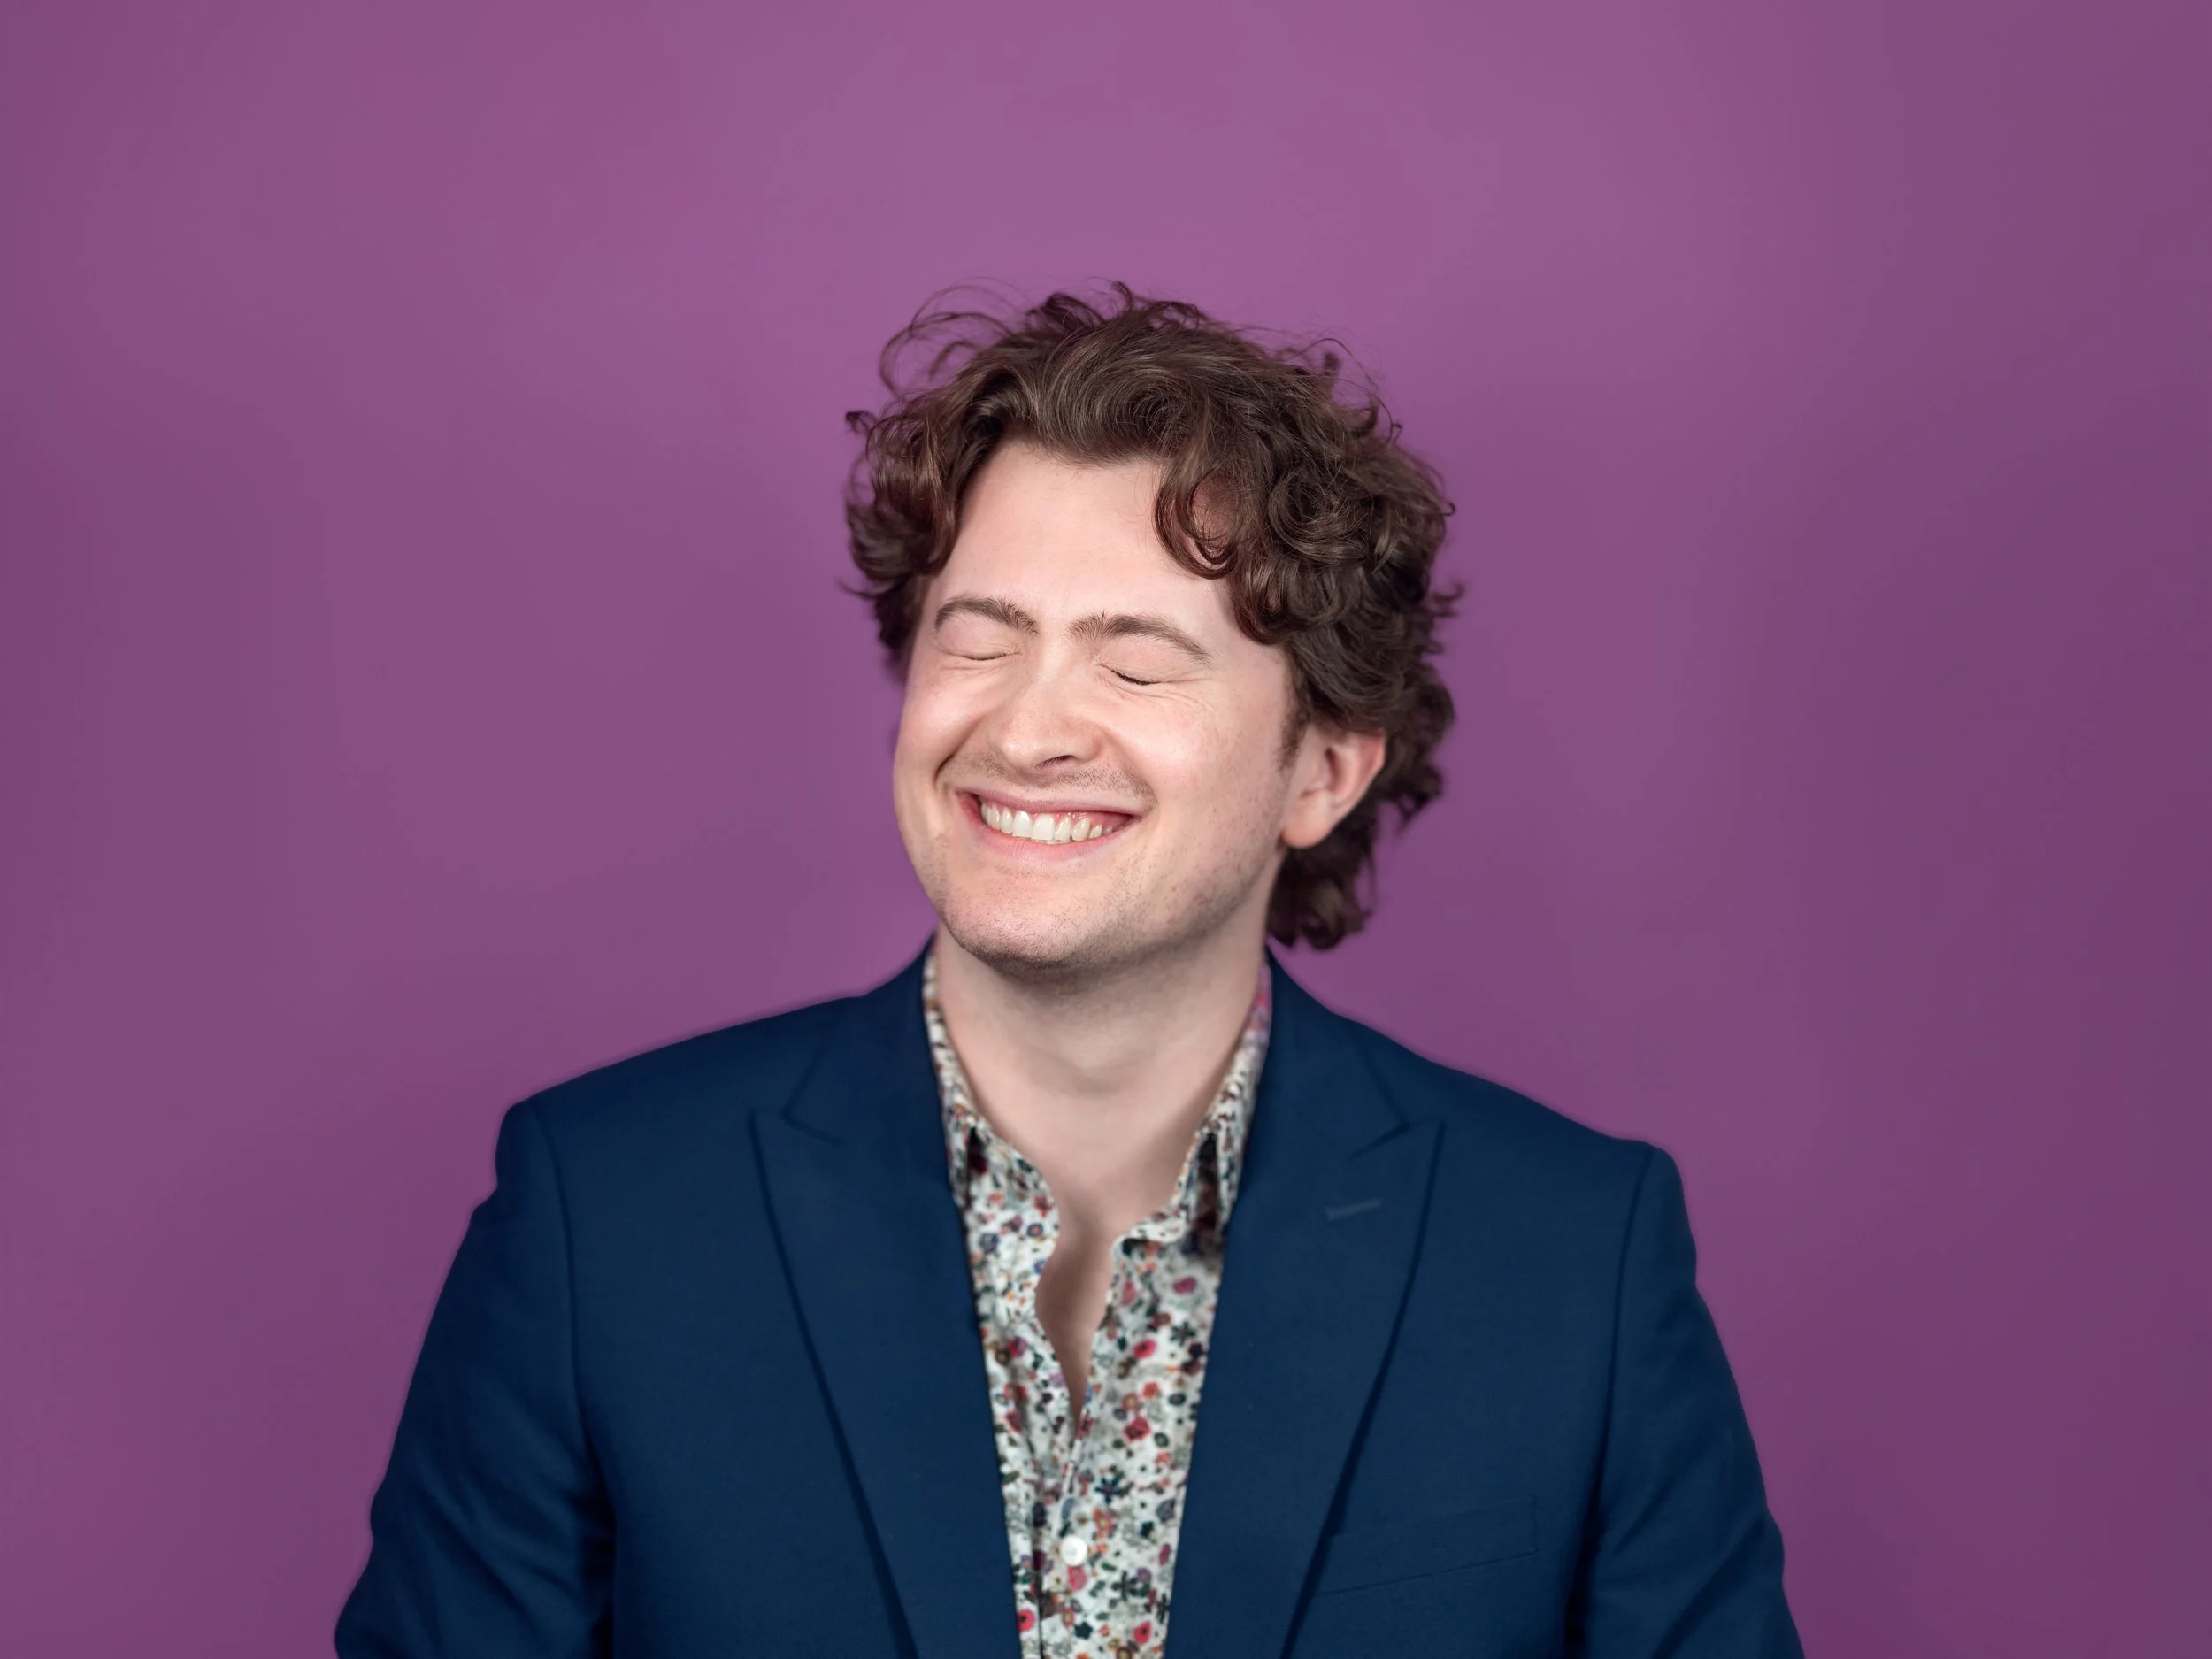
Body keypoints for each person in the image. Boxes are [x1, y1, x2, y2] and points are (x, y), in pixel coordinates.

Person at [336, 286, 1801, 1659]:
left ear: (1323, 770)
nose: (1027, 731)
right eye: (979, 642)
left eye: (1136, 663)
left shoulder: (1574, 1259)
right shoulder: (599, 1219)